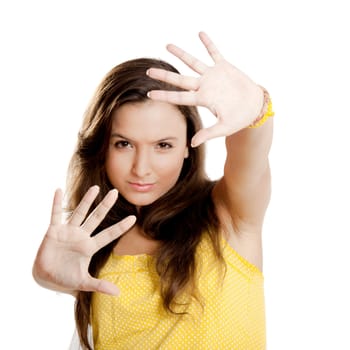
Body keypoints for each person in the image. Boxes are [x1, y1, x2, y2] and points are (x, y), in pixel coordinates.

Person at [32, 32, 274, 350]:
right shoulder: (95, 246)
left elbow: (252, 154)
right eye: (124, 144)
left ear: (189, 144)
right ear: (103, 147)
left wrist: (255, 106)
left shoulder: (229, 214)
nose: (142, 168)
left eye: (162, 145)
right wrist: (45, 275)